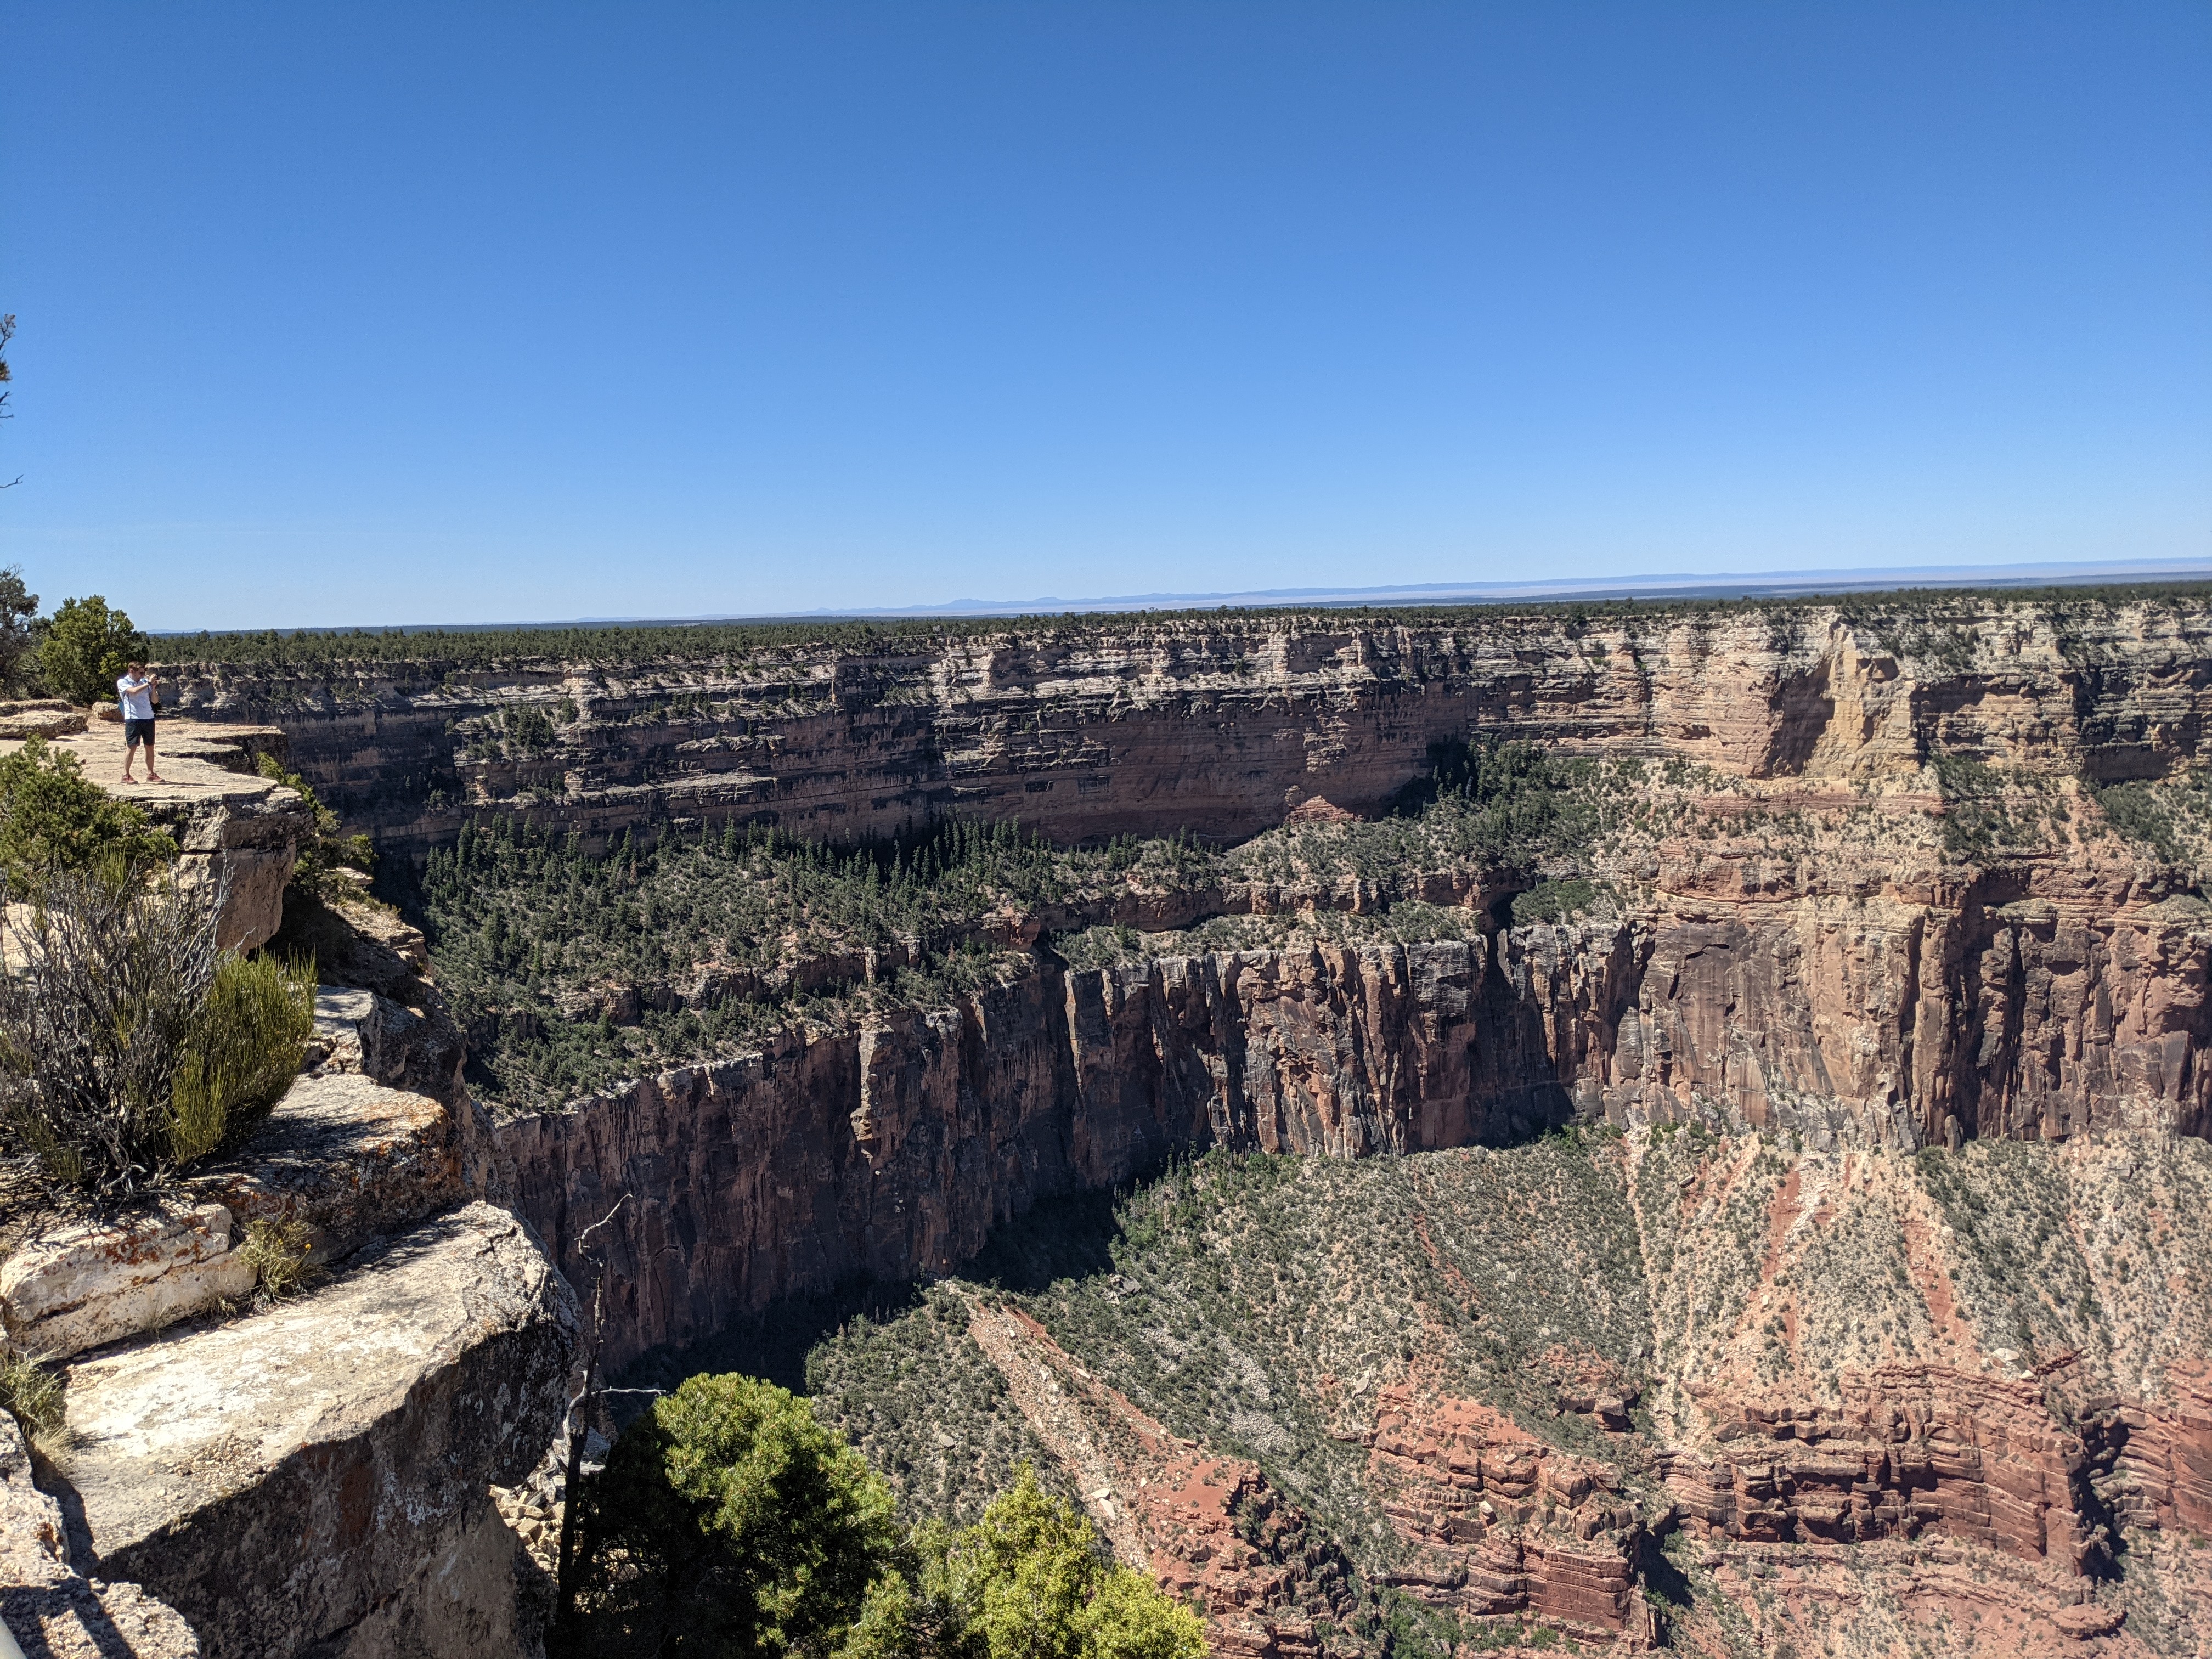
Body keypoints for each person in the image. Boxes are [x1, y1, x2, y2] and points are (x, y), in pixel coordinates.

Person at [117, 661, 163, 784]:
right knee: (132, 747)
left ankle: (151, 773)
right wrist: (148, 683)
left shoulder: (144, 682)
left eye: (144, 673)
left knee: (150, 747)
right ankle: (126, 775)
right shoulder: (123, 682)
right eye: (140, 673)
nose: (143, 675)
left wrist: (153, 688)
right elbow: (133, 691)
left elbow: (154, 701)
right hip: (133, 718)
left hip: (148, 717)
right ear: (132, 671)